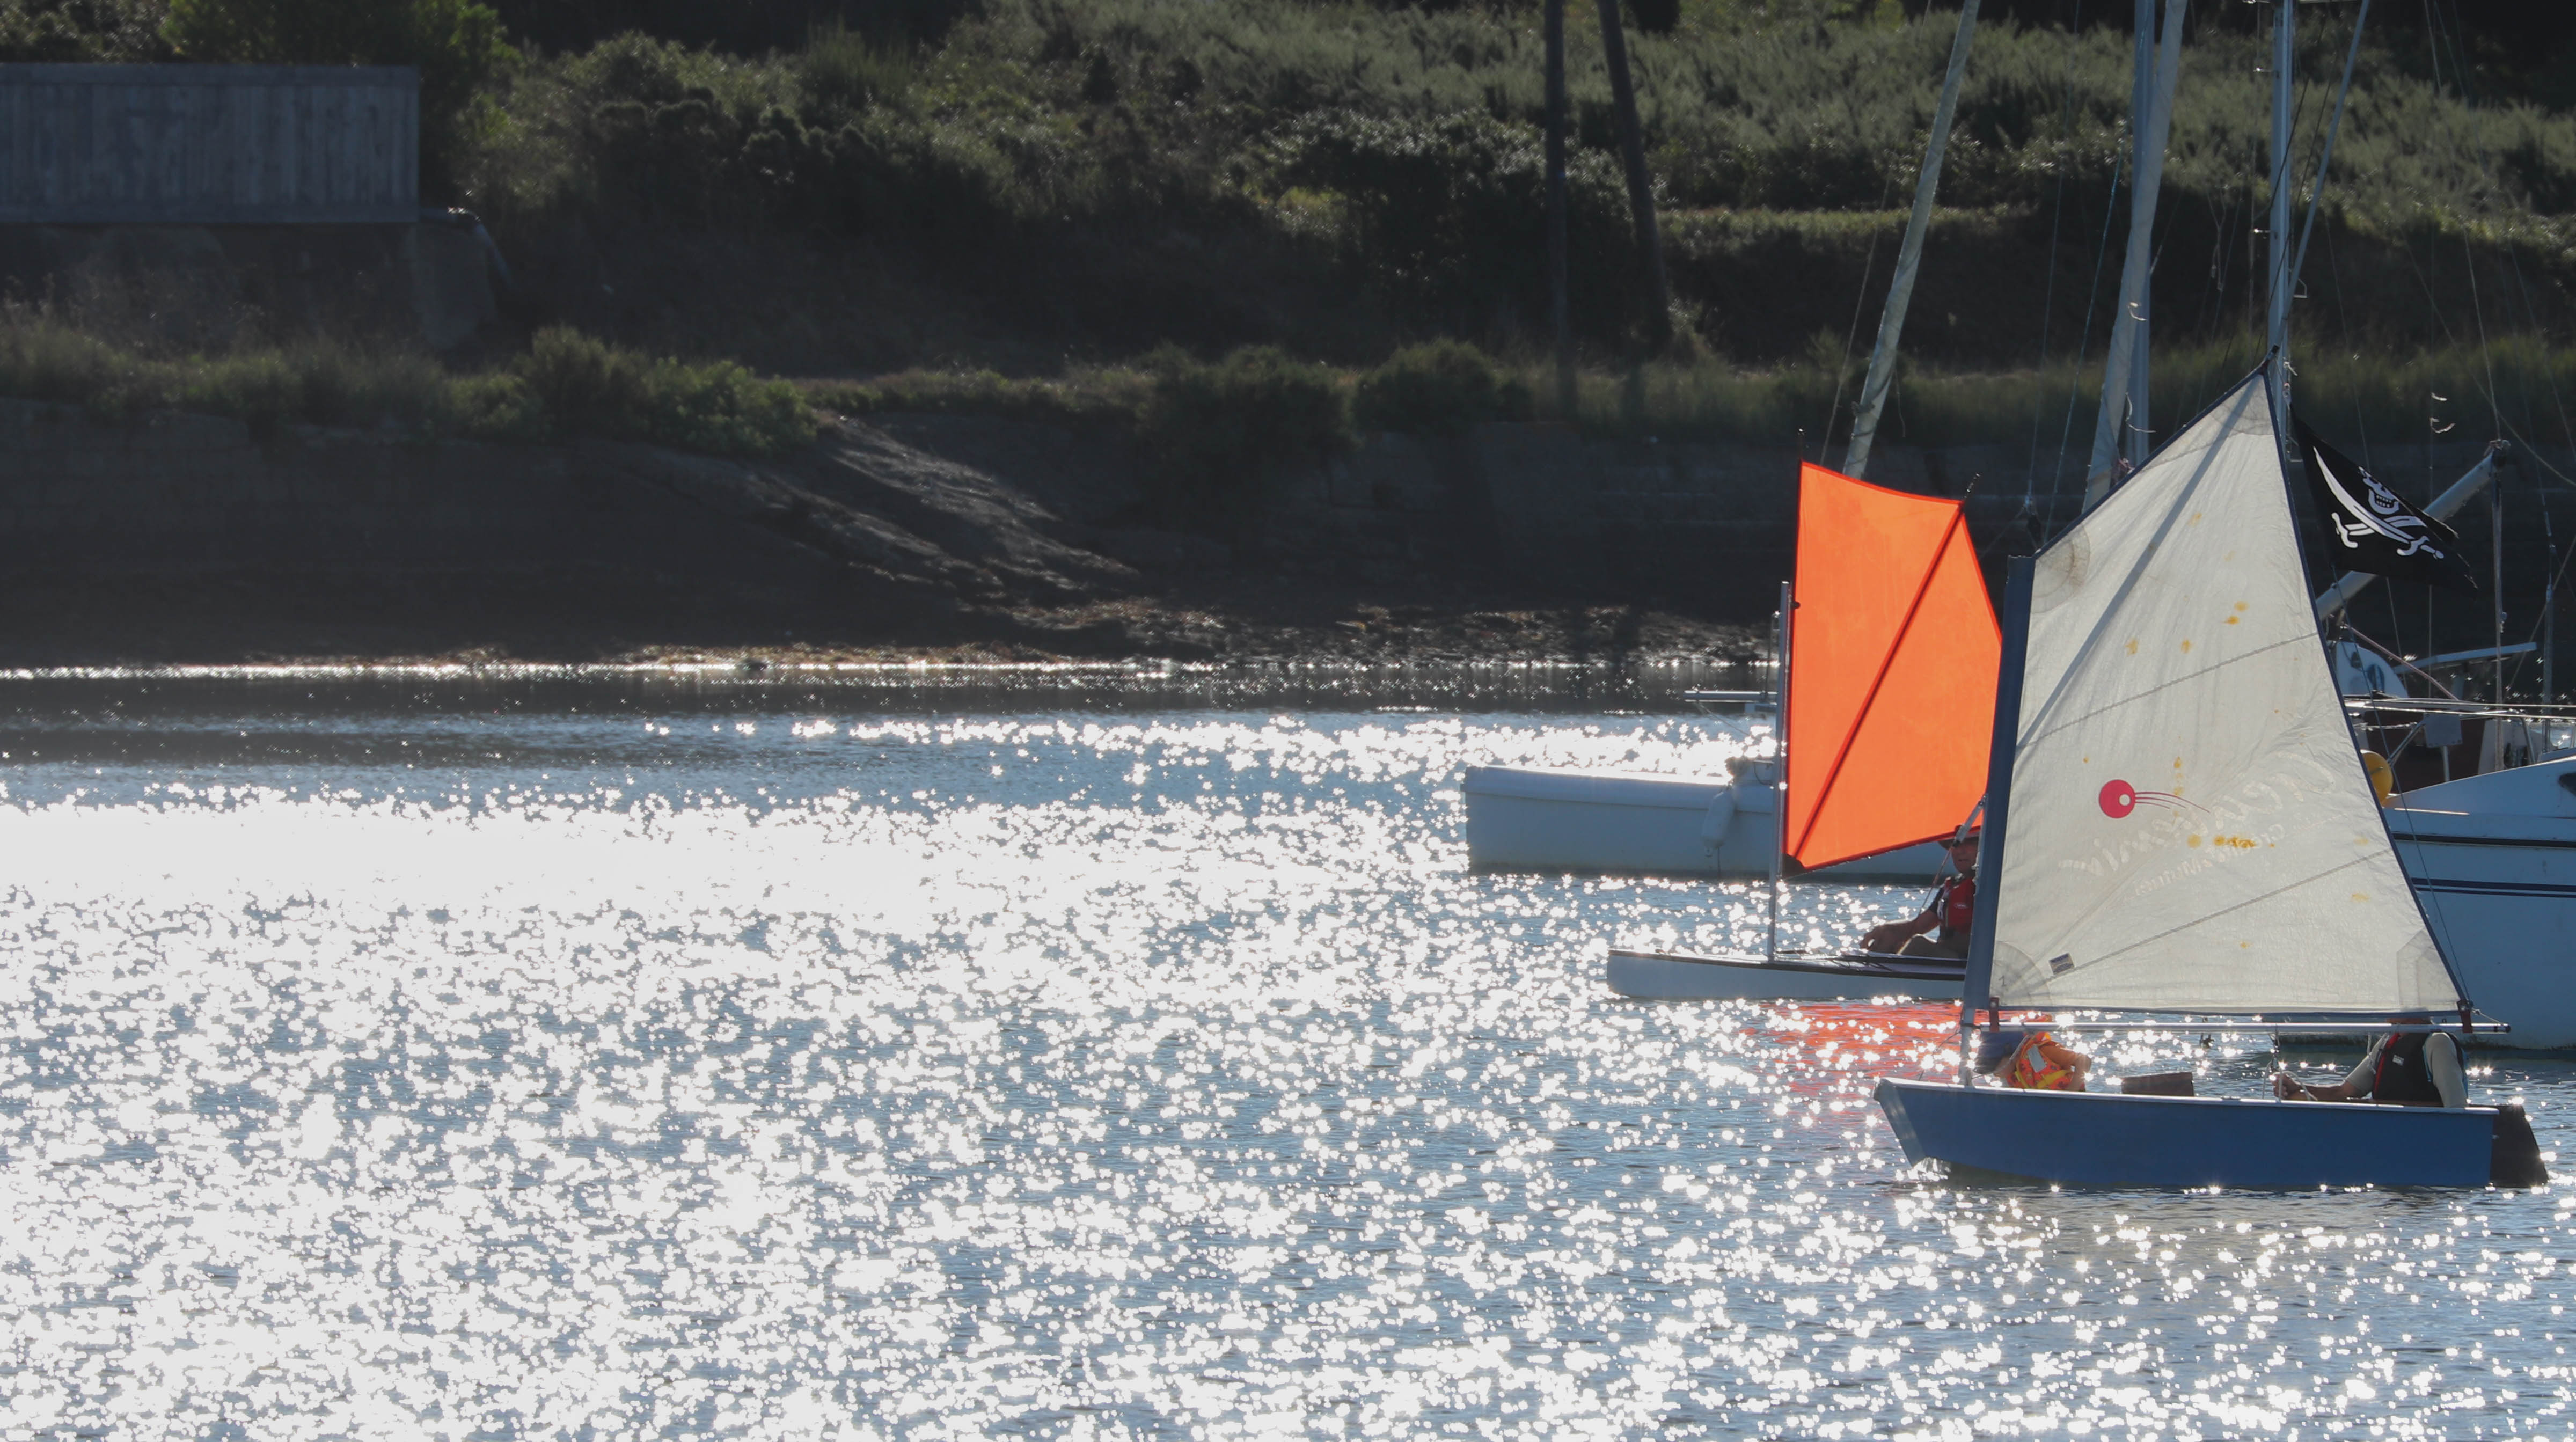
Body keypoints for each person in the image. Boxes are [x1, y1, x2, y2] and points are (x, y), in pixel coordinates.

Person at [2272, 1016, 2465, 1108]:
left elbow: (2456, 1109)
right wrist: (2297, 1088)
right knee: (2299, 1098)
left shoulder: (2437, 1042)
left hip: (2423, 1137)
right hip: (2385, 1133)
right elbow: (2343, 1092)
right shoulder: (2387, 1042)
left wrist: (2375, 1105)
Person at [1857, 829, 1982, 958]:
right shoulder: (1952, 887)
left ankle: (1887, 975)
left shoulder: (1992, 887)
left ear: (1983, 847)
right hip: (1949, 961)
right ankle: (1869, 972)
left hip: (1975, 965)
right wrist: (1887, 930)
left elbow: (1990, 939)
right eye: (1955, 845)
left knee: (1918, 945)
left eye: (1969, 844)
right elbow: (1919, 926)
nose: (1960, 851)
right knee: (1889, 934)